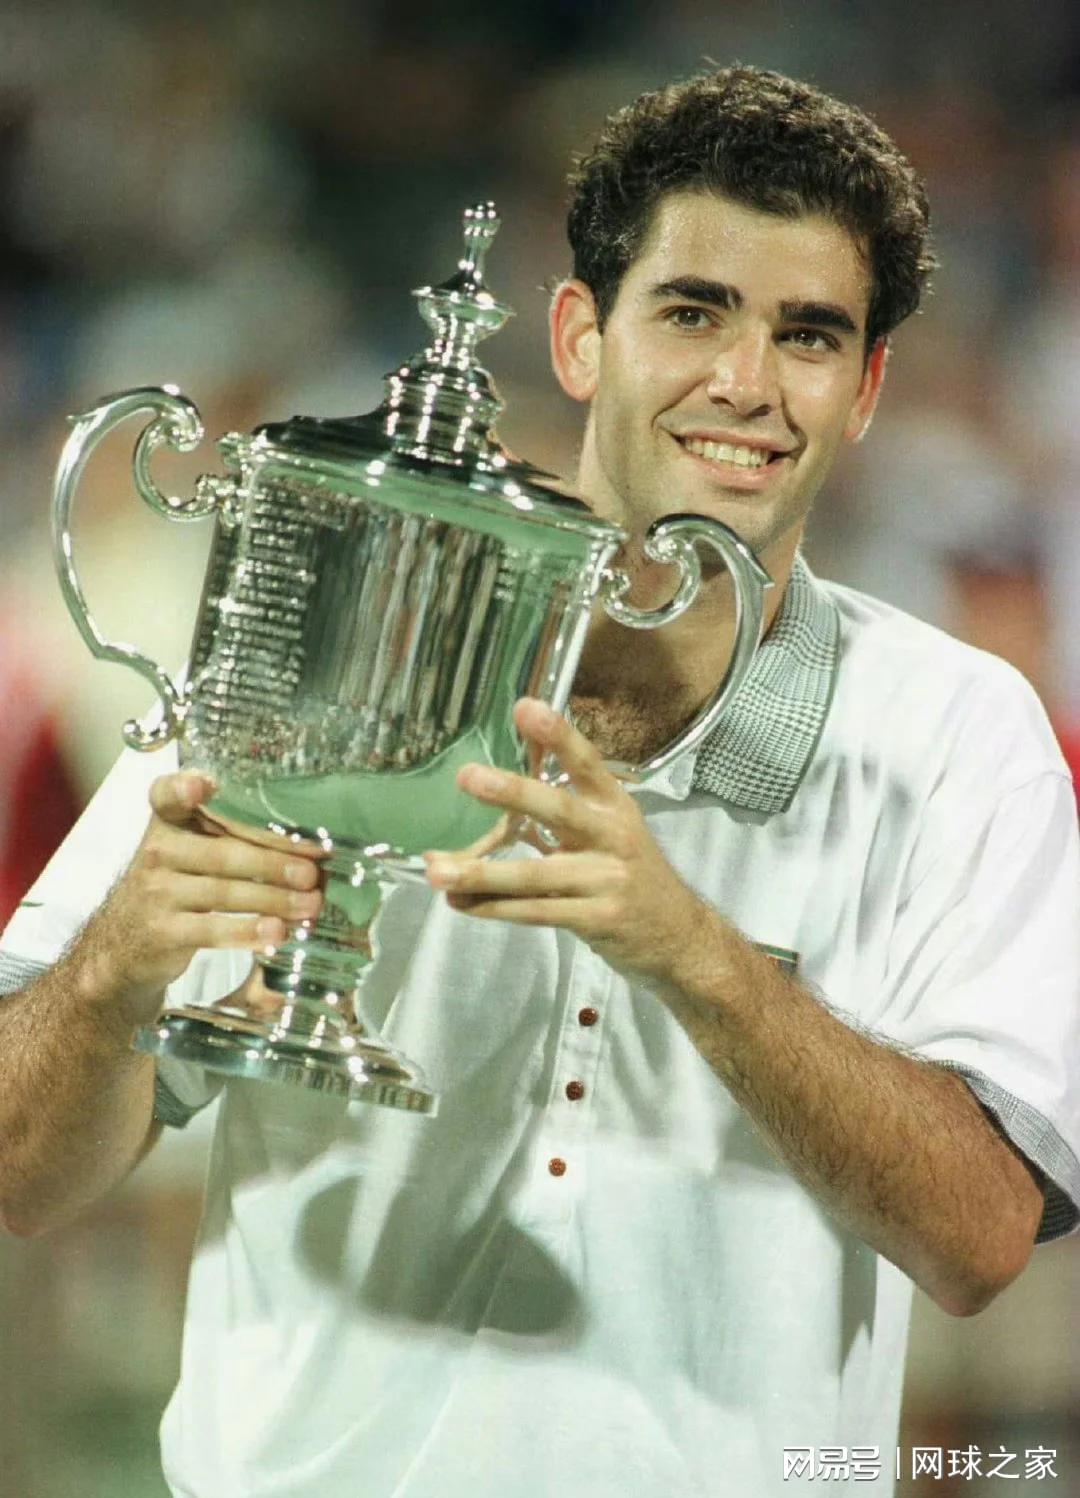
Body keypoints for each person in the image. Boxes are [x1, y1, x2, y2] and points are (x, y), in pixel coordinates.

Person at [1, 65, 1077, 1498]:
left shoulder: (958, 734)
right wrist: (117, 968)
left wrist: (689, 949)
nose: (747, 384)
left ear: (868, 389)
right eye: (692, 312)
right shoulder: (333, 621)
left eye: (809, 336)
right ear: (580, 337)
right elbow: (19, 1170)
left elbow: (981, 1242)